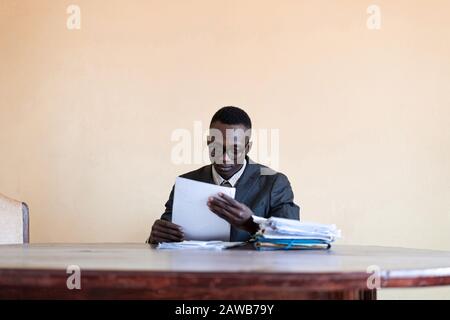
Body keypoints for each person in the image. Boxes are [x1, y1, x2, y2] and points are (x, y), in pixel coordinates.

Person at [148, 106, 300, 243]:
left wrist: (252, 225)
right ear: (208, 142)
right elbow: (166, 239)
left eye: (235, 150)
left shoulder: (274, 183)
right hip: (198, 272)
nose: (224, 158)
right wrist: (155, 238)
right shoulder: (186, 182)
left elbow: (291, 241)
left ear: (248, 147)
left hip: (252, 272)